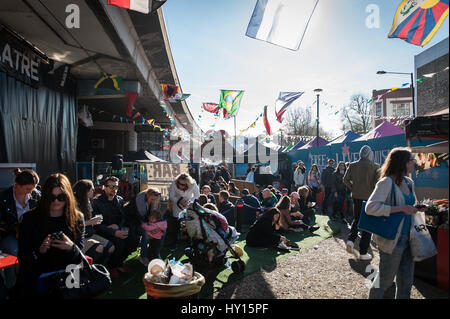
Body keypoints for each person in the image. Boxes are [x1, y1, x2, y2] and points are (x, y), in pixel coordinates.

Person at [365, 148, 425, 299]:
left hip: (409, 239)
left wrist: (417, 208)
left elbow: (409, 207)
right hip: (392, 240)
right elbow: (370, 208)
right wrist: (401, 209)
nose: (414, 163)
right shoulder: (386, 182)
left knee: (406, 283)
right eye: (412, 160)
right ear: (402, 163)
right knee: (384, 282)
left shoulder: (409, 182)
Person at [15, 174, 85, 298]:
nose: (56, 201)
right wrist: (39, 251)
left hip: (68, 277)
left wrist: (71, 248)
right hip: (38, 276)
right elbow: (23, 257)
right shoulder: (29, 219)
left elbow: (80, 258)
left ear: (68, 196)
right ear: (45, 197)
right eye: (51, 197)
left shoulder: (77, 219)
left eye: (61, 197)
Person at [92, 176, 138, 278]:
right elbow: (97, 225)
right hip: (103, 231)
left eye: (116, 187)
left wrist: (118, 226)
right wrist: (113, 232)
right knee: (119, 243)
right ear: (104, 187)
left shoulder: (119, 200)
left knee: (134, 240)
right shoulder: (97, 202)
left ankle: (119, 263)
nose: (114, 189)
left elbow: (124, 217)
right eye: (111, 187)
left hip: (118, 229)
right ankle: (112, 266)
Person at [343, 145, 380, 260]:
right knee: (367, 223)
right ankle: (363, 252)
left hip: (356, 196)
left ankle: (350, 240)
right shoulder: (375, 166)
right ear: (370, 154)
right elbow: (377, 184)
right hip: (369, 197)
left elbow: (345, 179)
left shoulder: (353, 165)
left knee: (357, 219)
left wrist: (353, 188)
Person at [72, 179, 114, 265]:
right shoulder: (74, 203)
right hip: (78, 236)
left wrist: (96, 220)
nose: (94, 191)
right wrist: (90, 222)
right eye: (92, 189)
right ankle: (86, 270)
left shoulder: (87, 201)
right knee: (99, 248)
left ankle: (100, 268)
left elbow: (90, 217)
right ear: (85, 191)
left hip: (89, 233)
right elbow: (73, 223)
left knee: (111, 247)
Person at [0, 169, 40, 257]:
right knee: (16, 252)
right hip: (11, 235)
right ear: (17, 185)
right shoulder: (3, 198)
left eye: (33, 189)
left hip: (33, 234)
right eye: (28, 189)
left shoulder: (37, 196)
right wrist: (16, 228)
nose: (30, 192)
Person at [125, 187, 161, 266]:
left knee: (160, 231)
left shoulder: (153, 199)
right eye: (152, 199)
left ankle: (154, 253)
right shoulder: (140, 198)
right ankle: (143, 256)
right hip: (133, 221)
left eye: (155, 199)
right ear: (148, 195)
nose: (153, 201)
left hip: (143, 221)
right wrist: (150, 227)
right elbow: (141, 218)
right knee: (146, 234)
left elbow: (153, 215)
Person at [166, 173, 200, 250]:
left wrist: (189, 201)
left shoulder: (193, 184)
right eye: (179, 183)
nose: (180, 186)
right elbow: (171, 195)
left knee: (189, 224)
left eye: (183, 184)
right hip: (177, 206)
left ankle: (189, 243)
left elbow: (197, 195)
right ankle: (174, 243)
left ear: (187, 183)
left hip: (188, 207)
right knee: (175, 225)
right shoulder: (174, 183)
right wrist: (179, 201)